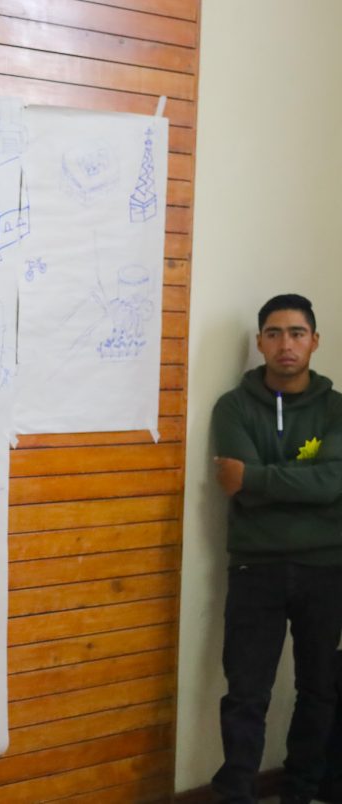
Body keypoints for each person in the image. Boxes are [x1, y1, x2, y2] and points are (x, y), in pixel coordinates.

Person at [211, 293, 342, 804]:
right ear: (260, 342)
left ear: (315, 341)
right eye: (274, 333)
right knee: (246, 693)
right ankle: (236, 793)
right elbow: (234, 486)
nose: (286, 344)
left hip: (326, 567)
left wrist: (257, 478)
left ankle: (301, 790)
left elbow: (333, 483)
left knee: (319, 687)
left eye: (297, 333)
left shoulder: (336, 409)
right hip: (255, 567)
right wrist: (299, 485)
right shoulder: (233, 407)